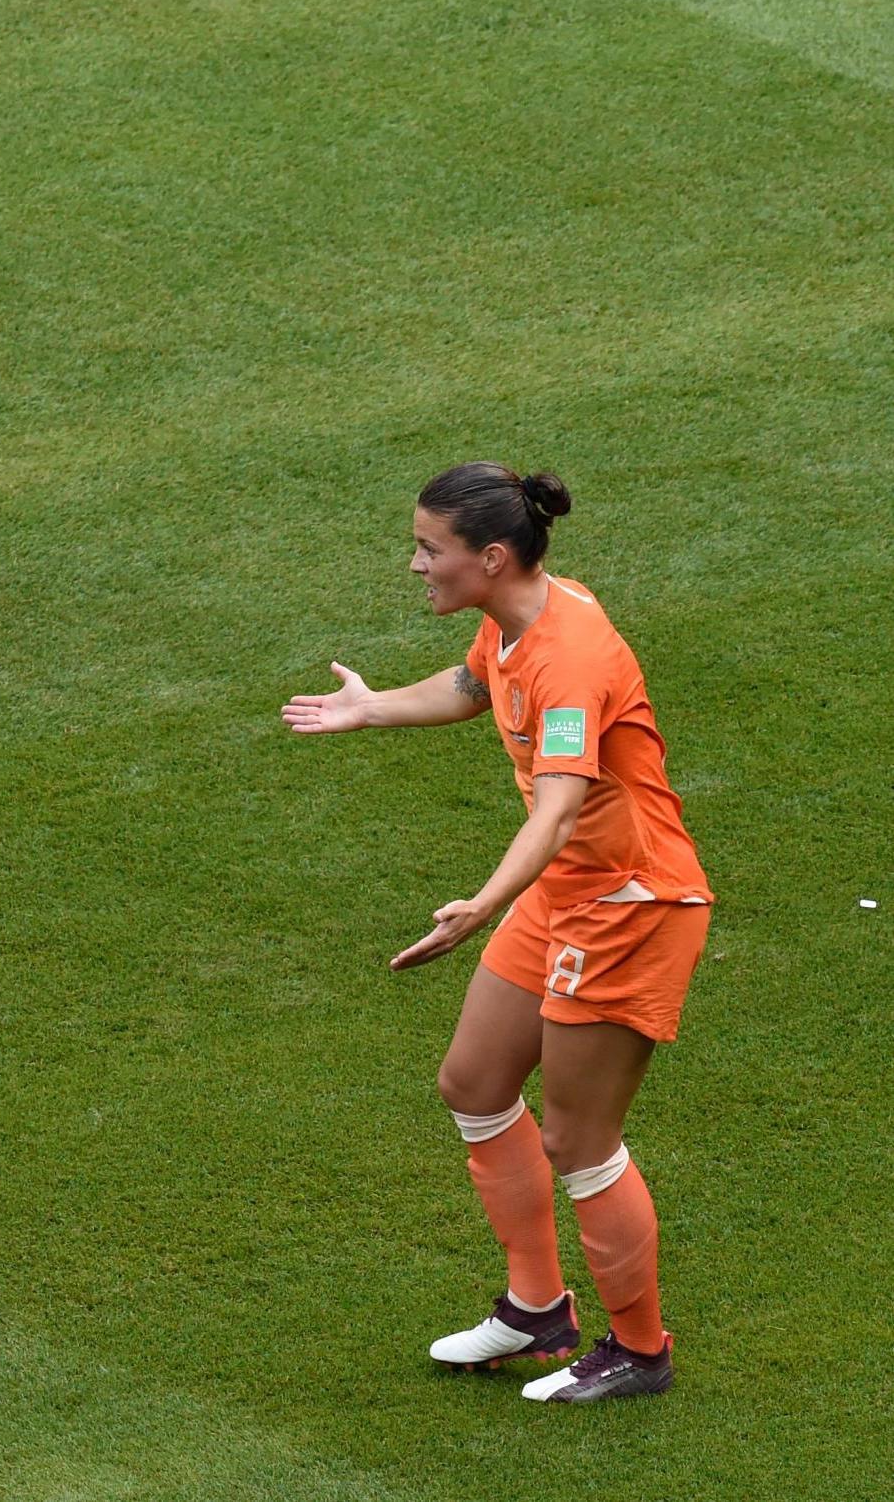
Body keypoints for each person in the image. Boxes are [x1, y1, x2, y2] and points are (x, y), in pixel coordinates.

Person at [281, 464, 713, 1403]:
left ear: (488, 557)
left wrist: (480, 905)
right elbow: (472, 685)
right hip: (566, 889)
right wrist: (370, 705)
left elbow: (557, 812)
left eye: (429, 550)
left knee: (578, 1140)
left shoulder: (570, 657)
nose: (414, 564)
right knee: (472, 1082)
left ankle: (640, 1352)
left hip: (631, 905)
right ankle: (535, 1312)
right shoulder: (512, 616)